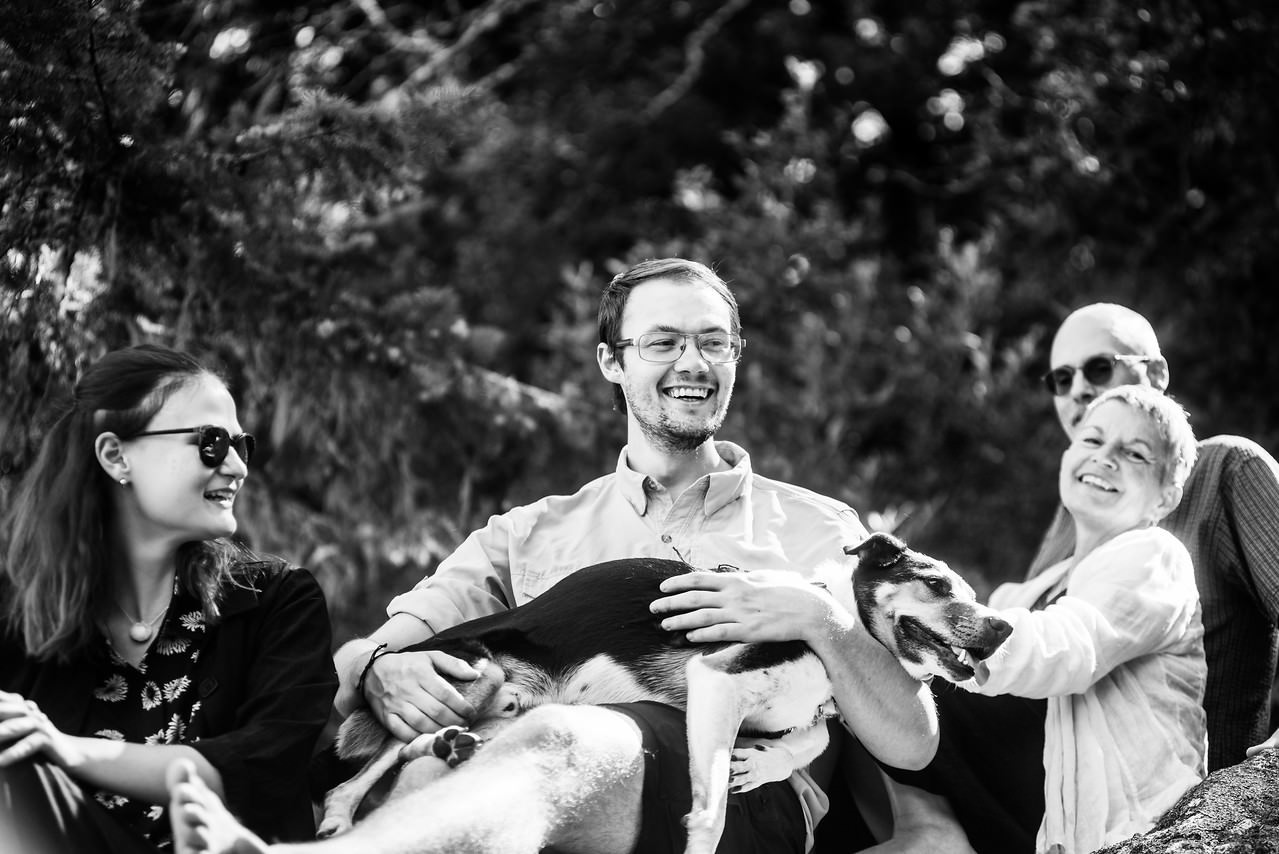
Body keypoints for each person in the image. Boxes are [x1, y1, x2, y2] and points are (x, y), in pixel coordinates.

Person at [164, 257, 938, 854]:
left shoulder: (818, 532)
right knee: (441, 768)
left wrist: (827, 624)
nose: (692, 363)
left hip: (736, 801)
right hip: (546, 783)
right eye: (663, 342)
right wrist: (379, 667)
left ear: (736, 357)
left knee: (561, 737)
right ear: (611, 361)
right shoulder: (528, 535)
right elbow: (351, 675)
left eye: (713, 342)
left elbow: (912, 737)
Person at [0, 344, 338, 853]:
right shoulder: (18, 615)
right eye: (210, 442)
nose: (237, 466)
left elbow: (260, 765)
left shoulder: (277, 601)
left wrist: (66, 749)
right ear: (116, 456)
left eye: (239, 445)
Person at [881, 384, 1207, 854]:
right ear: (1068, 454)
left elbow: (1072, 649)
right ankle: (923, 824)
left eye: (1135, 454)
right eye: (1092, 441)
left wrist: (941, 624)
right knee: (867, 653)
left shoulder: (1156, 557)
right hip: (1034, 820)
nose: (1106, 457)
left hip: (1134, 822)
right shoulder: (1027, 592)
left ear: (1166, 498)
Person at [1028, 303, 1279, 771]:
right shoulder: (1066, 526)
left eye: (1098, 368)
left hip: (1194, 810)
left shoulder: (1226, 469)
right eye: (1061, 379)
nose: (1078, 388)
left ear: (1157, 373)